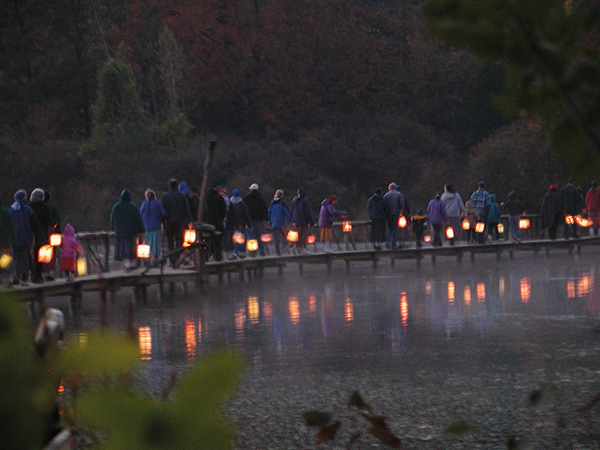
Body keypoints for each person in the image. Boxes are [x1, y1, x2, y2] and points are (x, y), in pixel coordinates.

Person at [110, 188, 145, 270]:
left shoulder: (116, 207)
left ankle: (127, 265)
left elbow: (112, 219)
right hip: (131, 233)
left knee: (123, 249)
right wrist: (142, 230)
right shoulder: (133, 207)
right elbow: (138, 219)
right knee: (131, 249)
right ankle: (132, 264)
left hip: (120, 233)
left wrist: (114, 228)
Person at [9, 189, 38, 285]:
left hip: (14, 237)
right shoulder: (27, 209)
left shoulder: (11, 210)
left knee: (15, 257)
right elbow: (33, 223)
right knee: (25, 257)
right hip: (26, 237)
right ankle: (25, 277)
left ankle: (15, 276)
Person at [162, 177, 192, 265]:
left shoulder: (165, 197)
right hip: (180, 221)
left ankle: (172, 259)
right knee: (179, 240)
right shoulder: (181, 196)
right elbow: (186, 208)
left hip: (168, 222)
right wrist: (189, 219)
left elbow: (163, 210)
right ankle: (178, 256)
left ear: (169, 186)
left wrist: (163, 221)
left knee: (170, 241)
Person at [29, 188, 55, 282]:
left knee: (31, 255)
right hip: (42, 234)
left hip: (30, 233)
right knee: (40, 256)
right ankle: (39, 275)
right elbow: (49, 220)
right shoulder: (43, 207)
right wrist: (54, 224)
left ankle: (31, 275)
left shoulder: (29, 207)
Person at [140, 189, 167, 264]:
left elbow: (141, 214)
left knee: (148, 243)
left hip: (147, 228)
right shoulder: (157, 203)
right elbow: (164, 213)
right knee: (156, 244)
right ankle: (155, 259)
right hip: (156, 227)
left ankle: (147, 260)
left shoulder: (144, 204)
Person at [243, 183, 269, 257]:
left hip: (250, 220)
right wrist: (266, 219)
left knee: (251, 236)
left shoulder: (246, 198)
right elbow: (265, 209)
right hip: (259, 220)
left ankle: (252, 251)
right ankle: (262, 251)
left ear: (251, 189)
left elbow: (244, 209)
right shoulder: (261, 198)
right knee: (260, 236)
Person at [226, 189, 252, 259]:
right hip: (241, 223)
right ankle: (239, 251)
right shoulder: (242, 204)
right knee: (242, 237)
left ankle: (235, 251)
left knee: (234, 238)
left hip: (232, 224)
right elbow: (246, 214)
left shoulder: (230, 203)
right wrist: (249, 224)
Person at [204, 185, 227, 261]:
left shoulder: (205, 198)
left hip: (208, 223)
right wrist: (221, 218)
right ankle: (217, 257)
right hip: (218, 222)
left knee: (208, 240)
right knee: (217, 241)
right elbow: (223, 210)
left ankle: (207, 256)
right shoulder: (219, 197)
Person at [268, 189, 293, 256]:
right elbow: (286, 212)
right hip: (281, 222)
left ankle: (277, 252)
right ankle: (284, 249)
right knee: (285, 236)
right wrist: (292, 220)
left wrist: (270, 221)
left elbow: (269, 213)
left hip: (274, 222)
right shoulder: (282, 203)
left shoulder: (271, 203)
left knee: (276, 239)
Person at [291, 187, 314, 253]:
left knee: (296, 235)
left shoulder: (294, 200)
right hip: (303, 221)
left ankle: (295, 247)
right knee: (303, 235)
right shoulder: (305, 200)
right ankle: (302, 248)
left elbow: (291, 210)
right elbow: (307, 211)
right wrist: (311, 221)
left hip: (296, 220)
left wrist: (292, 220)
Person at [0, 195, 16, 286]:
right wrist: (13, 240)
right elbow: (10, 227)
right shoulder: (5, 212)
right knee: (5, 261)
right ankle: (8, 279)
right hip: (5, 242)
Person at [383, 182, 404, 249]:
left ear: (389, 188)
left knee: (389, 229)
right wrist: (400, 213)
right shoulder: (399, 195)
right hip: (395, 214)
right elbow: (401, 205)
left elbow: (383, 206)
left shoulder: (386, 195)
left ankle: (387, 243)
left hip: (388, 215)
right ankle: (393, 244)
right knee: (395, 229)